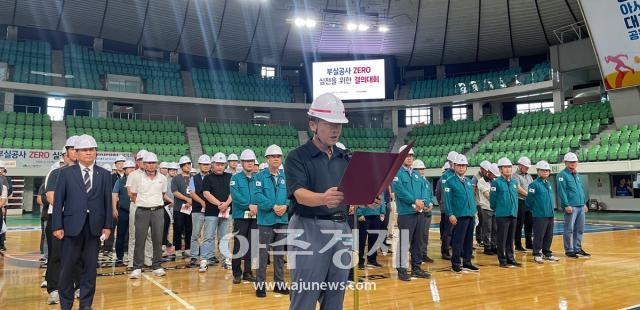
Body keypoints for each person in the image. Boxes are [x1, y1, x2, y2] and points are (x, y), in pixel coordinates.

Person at [285, 93, 379, 310]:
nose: (335, 129)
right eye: (329, 124)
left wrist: (367, 199)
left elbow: (351, 193)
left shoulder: (346, 157)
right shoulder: (297, 157)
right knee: (305, 295)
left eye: (339, 124)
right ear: (313, 125)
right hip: (308, 228)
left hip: (342, 228)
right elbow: (298, 194)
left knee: (336, 295)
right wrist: (322, 198)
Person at [51, 134, 112, 310]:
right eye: (84, 150)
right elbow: (58, 202)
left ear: (96, 152)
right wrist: (57, 225)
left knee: (90, 270)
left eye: (91, 149)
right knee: (67, 269)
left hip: (94, 228)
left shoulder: (105, 174)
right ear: (76, 153)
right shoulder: (65, 173)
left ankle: (86, 305)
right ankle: (66, 305)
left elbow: (108, 202)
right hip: (71, 228)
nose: (88, 153)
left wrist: (108, 226)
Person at [252, 144, 290, 297]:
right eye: (273, 156)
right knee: (263, 254)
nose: (276, 159)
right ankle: (260, 285)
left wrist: (286, 206)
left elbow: (291, 196)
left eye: (279, 156)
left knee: (280, 254)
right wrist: (273, 206)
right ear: (267, 159)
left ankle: (279, 284)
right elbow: (257, 196)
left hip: (282, 219)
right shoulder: (258, 177)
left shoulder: (285, 176)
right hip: (266, 220)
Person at [44, 138, 78, 305]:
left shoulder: (86, 173)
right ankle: (54, 289)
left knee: (79, 254)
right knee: (56, 255)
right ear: (66, 153)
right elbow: (51, 196)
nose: (75, 152)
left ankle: (78, 286)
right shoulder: (56, 173)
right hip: (59, 218)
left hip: (78, 220)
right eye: (71, 149)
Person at [391, 145, 430, 281]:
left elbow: (424, 189)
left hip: (418, 212)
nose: (409, 158)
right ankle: (401, 269)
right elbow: (400, 191)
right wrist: (415, 201)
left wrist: (422, 202)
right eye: (406, 155)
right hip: (406, 213)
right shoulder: (397, 173)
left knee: (418, 241)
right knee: (404, 241)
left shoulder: (416, 174)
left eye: (411, 156)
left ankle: (416, 267)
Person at [129, 152, 168, 279]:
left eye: (153, 163)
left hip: (158, 211)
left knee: (157, 239)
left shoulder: (163, 178)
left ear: (157, 164)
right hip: (142, 211)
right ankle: (137, 267)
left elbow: (162, 194)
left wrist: (154, 204)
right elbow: (133, 194)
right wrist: (143, 203)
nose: (151, 165)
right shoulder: (137, 177)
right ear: (144, 164)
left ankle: (157, 266)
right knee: (139, 239)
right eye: (148, 163)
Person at [442, 154, 479, 273]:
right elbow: (447, 200)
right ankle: (456, 264)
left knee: (469, 240)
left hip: (470, 214)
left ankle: (467, 262)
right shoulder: (449, 181)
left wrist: (475, 212)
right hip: (459, 215)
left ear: (467, 167)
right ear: (454, 166)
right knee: (458, 241)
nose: (461, 168)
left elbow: (471, 198)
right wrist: (450, 214)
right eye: (459, 165)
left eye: (464, 165)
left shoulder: (468, 181)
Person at [229, 149, 258, 283]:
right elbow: (236, 196)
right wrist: (249, 206)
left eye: (251, 161)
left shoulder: (258, 178)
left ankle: (248, 272)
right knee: (239, 244)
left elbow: (261, 194)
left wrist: (257, 206)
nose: (249, 163)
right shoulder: (235, 178)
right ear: (242, 163)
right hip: (241, 216)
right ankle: (236, 272)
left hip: (255, 216)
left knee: (252, 244)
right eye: (247, 161)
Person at [201, 152, 233, 272]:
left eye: (222, 164)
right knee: (208, 236)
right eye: (217, 164)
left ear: (225, 165)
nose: (220, 166)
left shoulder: (230, 177)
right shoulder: (208, 178)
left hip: (226, 212)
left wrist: (226, 204)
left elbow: (233, 192)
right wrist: (219, 204)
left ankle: (226, 260)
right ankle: (205, 259)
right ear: (212, 165)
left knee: (225, 237)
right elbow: (206, 193)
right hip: (211, 212)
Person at [525, 161, 560, 264]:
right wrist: (535, 210)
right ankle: (536, 254)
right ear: (538, 171)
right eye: (543, 170)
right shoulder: (533, 185)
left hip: (550, 214)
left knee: (549, 235)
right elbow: (529, 201)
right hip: (539, 215)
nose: (545, 172)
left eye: (547, 170)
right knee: (539, 235)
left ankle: (547, 253)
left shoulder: (548, 184)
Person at [557, 152, 590, 258]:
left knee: (580, 228)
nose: (573, 163)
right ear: (565, 162)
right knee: (569, 229)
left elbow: (581, 189)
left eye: (574, 162)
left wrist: (584, 203)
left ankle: (577, 248)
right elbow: (562, 191)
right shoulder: (562, 175)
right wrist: (566, 205)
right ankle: (569, 250)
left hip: (580, 205)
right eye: (571, 162)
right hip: (571, 206)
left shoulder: (577, 174)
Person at [490, 158, 521, 268]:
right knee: (502, 238)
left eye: (509, 167)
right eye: (505, 167)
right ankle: (502, 260)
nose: (508, 169)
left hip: (513, 214)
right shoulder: (496, 183)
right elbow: (492, 201)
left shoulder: (514, 182)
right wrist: (498, 209)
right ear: (500, 169)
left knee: (510, 238)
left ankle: (511, 258)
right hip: (502, 214)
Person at [125, 150, 154, 269]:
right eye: (141, 160)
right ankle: (132, 260)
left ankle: (148, 258)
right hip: (136, 205)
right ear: (137, 161)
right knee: (134, 234)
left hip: (150, 207)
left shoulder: (153, 174)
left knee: (149, 234)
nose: (143, 162)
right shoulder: (133, 174)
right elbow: (129, 193)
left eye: (145, 160)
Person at [188, 154, 211, 267]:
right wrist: (202, 202)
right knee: (195, 234)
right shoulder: (194, 178)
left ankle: (209, 255)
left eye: (207, 164)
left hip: (211, 210)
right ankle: (193, 255)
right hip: (197, 209)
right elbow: (192, 193)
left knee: (209, 235)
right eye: (204, 164)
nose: (206, 166)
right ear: (199, 165)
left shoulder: (212, 177)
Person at [112, 160, 136, 266]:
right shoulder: (120, 182)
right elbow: (114, 195)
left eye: (132, 168)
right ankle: (119, 257)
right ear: (125, 170)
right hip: (123, 211)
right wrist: (114, 209)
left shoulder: (138, 181)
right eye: (129, 168)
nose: (131, 170)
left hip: (136, 210)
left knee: (135, 235)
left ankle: (134, 257)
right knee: (121, 235)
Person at [413, 159, 435, 263]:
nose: (422, 170)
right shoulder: (414, 182)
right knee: (418, 235)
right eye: (419, 169)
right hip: (418, 211)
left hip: (427, 212)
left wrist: (430, 204)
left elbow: (430, 195)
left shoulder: (426, 182)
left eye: (423, 169)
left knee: (425, 235)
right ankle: (416, 254)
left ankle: (423, 253)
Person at [437, 151, 458, 260]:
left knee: (457, 231)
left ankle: (458, 250)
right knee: (448, 232)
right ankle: (445, 251)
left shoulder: (459, 176)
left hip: (459, 209)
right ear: (450, 163)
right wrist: (444, 207)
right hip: (449, 209)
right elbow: (440, 194)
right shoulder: (445, 177)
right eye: (454, 163)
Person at [172, 156, 193, 259]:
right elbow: (175, 192)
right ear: (181, 166)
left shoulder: (193, 177)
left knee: (189, 228)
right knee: (178, 229)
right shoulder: (176, 178)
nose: (188, 166)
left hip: (191, 207)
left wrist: (191, 201)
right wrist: (186, 199)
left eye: (189, 164)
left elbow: (197, 192)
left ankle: (188, 249)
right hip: (178, 208)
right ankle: (178, 249)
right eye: (186, 164)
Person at [513, 157, 534, 251]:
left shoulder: (529, 176)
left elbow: (532, 186)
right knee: (519, 224)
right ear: (520, 166)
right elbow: (518, 188)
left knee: (529, 223)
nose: (527, 168)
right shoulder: (515, 176)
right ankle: (518, 244)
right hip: (520, 201)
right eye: (526, 167)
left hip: (528, 202)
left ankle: (529, 243)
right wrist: (529, 194)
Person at [478, 164, 499, 255]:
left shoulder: (494, 180)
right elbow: (487, 195)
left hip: (495, 208)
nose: (495, 176)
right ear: (489, 173)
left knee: (495, 228)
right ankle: (487, 246)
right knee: (487, 228)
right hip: (486, 208)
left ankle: (494, 245)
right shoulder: (481, 181)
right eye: (494, 174)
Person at [472, 160, 491, 246]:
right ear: (481, 169)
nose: (487, 172)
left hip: (486, 203)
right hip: (478, 202)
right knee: (481, 221)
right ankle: (479, 238)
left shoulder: (487, 177)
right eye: (486, 170)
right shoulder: (476, 177)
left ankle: (484, 238)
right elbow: (473, 190)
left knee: (485, 222)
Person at [162, 163, 178, 257]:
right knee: (165, 227)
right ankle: (163, 245)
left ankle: (175, 247)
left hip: (176, 205)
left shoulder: (178, 180)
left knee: (177, 227)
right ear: (168, 171)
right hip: (166, 205)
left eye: (175, 170)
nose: (173, 172)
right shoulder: (165, 180)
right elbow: (163, 193)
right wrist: (170, 201)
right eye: (172, 170)